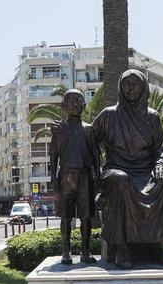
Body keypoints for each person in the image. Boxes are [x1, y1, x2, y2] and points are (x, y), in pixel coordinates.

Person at [93, 69, 163, 268]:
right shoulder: (109, 115)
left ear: (144, 88)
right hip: (116, 170)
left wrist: (160, 164)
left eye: (136, 84)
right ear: (120, 87)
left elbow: (161, 148)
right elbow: (89, 140)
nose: (131, 89)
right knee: (120, 180)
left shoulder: (153, 117)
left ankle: (157, 246)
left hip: (146, 171)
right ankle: (122, 247)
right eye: (126, 84)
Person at [50, 89, 100, 264]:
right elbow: (53, 155)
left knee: (86, 216)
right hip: (65, 175)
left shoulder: (89, 129)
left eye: (78, 101)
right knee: (66, 216)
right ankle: (66, 252)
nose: (74, 105)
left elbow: (95, 155)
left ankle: (85, 252)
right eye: (70, 102)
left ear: (84, 106)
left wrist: (98, 175)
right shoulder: (60, 129)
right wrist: (52, 176)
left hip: (85, 176)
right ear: (64, 106)